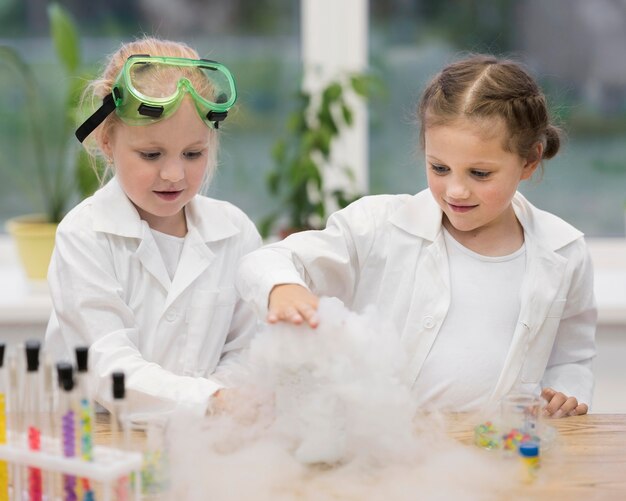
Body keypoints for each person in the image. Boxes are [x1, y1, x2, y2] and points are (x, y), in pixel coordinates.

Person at [236, 54, 597, 417]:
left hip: (495, 455)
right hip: (387, 452)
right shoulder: (376, 225)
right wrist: (283, 287)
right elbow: (265, 261)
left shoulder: (564, 252)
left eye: (479, 174)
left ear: (530, 161)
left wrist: (566, 391)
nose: (456, 190)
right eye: (440, 168)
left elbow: (572, 358)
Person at [45, 37, 262, 418]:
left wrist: (223, 399)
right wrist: (209, 401)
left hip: (203, 441)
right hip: (94, 440)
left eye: (193, 154)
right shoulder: (84, 236)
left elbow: (247, 350)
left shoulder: (236, 233)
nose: (173, 174)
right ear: (107, 141)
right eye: (151, 154)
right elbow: (109, 367)